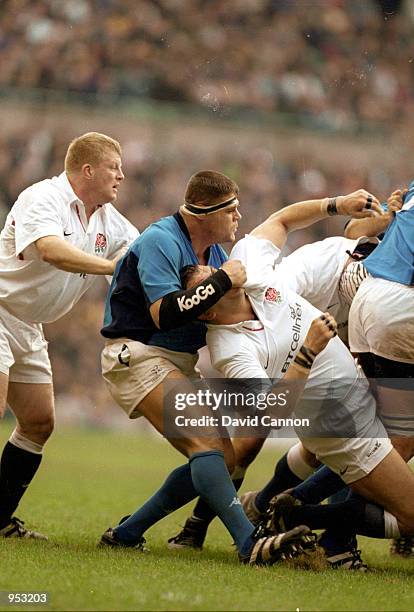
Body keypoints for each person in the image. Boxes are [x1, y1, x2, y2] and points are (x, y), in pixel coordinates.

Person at [99, 175, 386, 563]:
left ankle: (129, 532)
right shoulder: (161, 240)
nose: (238, 214)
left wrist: (335, 205)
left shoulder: (220, 257)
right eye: (231, 208)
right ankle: (250, 542)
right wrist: (221, 281)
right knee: (207, 446)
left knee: (226, 457)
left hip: (176, 361)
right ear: (205, 214)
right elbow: (163, 314)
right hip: (137, 353)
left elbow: (280, 221)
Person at [167, 188, 414, 556]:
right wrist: (307, 353)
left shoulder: (257, 273)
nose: (218, 271)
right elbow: (271, 413)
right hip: (334, 416)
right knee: (250, 444)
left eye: (214, 270)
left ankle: (287, 510)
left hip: (343, 390)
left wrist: (336, 205)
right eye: (209, 281)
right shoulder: (237, 341)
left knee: (378, 441)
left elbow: (283, 220)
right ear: (206, 310)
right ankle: (318, 533)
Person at [0, 132, 138, 539]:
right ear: (88, 169)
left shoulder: (108, 220)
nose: (122, 175)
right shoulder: (43, 198)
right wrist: (111, 268)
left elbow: (145, 249)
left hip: (27, 325)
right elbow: (50, 250)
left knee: (38, 423)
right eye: (115, 167)